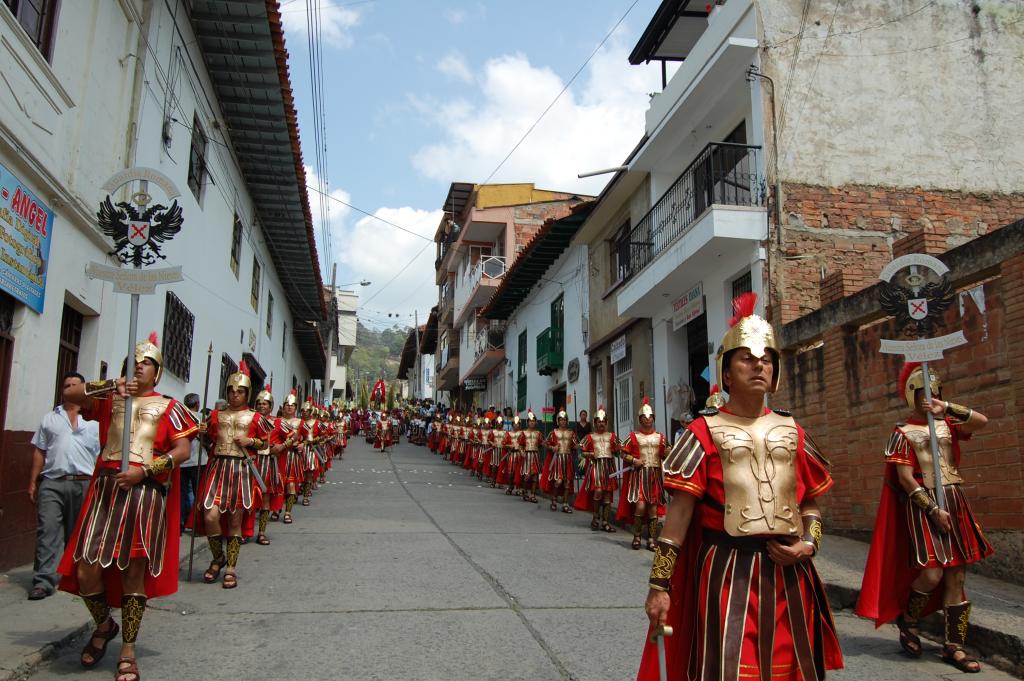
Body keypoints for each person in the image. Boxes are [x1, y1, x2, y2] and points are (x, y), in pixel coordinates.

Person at [638, 293, 842, 681]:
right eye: (747, 357)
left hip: (790, 573)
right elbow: (677, 518)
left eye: (766, 358)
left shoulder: (793, 431)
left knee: (792, 670)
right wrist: (658, 586)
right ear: (726, 373)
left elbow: (812, 503)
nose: (759, 364)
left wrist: (810, 543)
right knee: (731, 671)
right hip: (727, 573)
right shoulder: (702, 432)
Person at [57, 333, 198, 681]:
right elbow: (69, 395)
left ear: (158, 372)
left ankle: (129, 649)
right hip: (105, 489)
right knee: (86, 570)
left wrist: (145, 471)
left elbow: (183, 452)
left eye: (147, 361)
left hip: (142, 492)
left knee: (133, 572)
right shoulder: (110, 398)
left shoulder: (169, 405)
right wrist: (108, 385)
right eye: (136, 360)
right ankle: (105, 625)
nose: (139, 365)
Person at [855, 363, 992, 673]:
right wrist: (932, 509)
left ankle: (954, 647)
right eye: (922, 393)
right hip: (924, 504)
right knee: (932, 574)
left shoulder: (947, 424)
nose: (928, 399)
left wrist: (948, 408)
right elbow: (904, 478)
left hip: (955, 498)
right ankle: (910, 620)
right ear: (911, 395)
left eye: (934, 393)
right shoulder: (902, 432)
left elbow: (981, 422)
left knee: (956, 575)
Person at [26, 372, 100, 600]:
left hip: (85, 483)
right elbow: (40, 451)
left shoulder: (95, 421)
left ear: (83, 389)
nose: (69, 388)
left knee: (79, 533)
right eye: (66, 385)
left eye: (74, 385)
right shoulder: (50, 418)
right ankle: (43, 581)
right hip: (52, 482)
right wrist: (32, 481)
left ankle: (76, 578)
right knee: (48, 531)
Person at [199, 361, 273, 588]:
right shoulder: (215, 416)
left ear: (247, 393)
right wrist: (202, 435)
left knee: (234, 520)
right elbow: (210, 442)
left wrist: (251, 441)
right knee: (209, 515)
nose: (235, 394)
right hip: (218, 468)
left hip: (240, 470)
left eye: (240, 391)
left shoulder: (256, 418)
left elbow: (264, 443)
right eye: (231, 390)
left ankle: (230, 565)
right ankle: (218, 557)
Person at [618, 397, 667, 550]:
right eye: (644, 417)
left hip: (654, 475)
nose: (648, 419)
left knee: (653, 508)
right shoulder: (633, 436)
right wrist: (634, 460)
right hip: (639, 475)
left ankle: (651, 539)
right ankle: (637, 536)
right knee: (640, 506)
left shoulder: (661, 437)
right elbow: (622, 453)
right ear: (640, 419)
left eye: (650, 416)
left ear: (653, 418)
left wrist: (668, 452)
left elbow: (667, 452)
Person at [573, 406, 618, 532]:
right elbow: (582, 452)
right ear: (595, 423)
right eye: (599, 421)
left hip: (609, 468)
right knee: (598, 492)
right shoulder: (589, 437)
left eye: (603, 421)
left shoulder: (612, 436)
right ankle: (595, 518)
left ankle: (606, 522)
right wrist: (591, 454)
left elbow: (619, 450)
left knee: (608, 495)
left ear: (606, 422)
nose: (601, 423)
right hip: (596, 467)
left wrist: (619, 450)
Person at [253, 384, 285, 546]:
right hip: (251, 463)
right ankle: (244, 531)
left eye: (264, 403)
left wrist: (281, 447)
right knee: (248, 500)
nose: (261, 405)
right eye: (259, 403)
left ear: (270, 406)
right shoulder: (250, 418)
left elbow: (293, 438)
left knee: (265, 499)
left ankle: (262, 532)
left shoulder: (277, 422)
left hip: (268, 463)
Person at [542, 408, 577, 513]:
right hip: (558, 460)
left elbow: (575, 445)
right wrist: (552, 448)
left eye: (564, 419)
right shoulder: (554, 432)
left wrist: (577, 447)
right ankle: (554, 500)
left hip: (568, 459)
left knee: (567, 483)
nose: (563, 421)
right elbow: (545, 443)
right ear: (558, 421)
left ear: (567, 421)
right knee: (558, 481)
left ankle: (565, 504)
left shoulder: (571, 433)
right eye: (561, 419)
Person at [178, 393, 203, 534]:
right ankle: (196, 524)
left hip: (182, 461)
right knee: (198, 493)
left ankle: (180, 524)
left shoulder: (180, 417)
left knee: (181, 495)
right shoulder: (201, 418)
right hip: (198, 460)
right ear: (198, 404)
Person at [277, 390, 303, 524]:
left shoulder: (300, 422)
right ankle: (276, 508)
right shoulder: (277, 421)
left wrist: (302, 445)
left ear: (296, 407)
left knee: (291, 484)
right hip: (279, 455)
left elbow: (306, 438)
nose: (289, 406)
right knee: (277, 483)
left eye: (292, 405)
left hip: (292, 456)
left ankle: (288, 512)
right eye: (287, 404)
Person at [519, 410, 543, 503]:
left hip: (535, 455)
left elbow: (541, 444)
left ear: (536, 422)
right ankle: (524, 491)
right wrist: (521, 452)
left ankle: (532, 495)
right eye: (530, 421)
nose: (532, 423)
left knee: (535, 477)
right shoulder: (523, 433)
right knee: (526, 476)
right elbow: (520, 445)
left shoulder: (538, 433)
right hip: (527, 455)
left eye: (533, 421)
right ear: (527, 422)